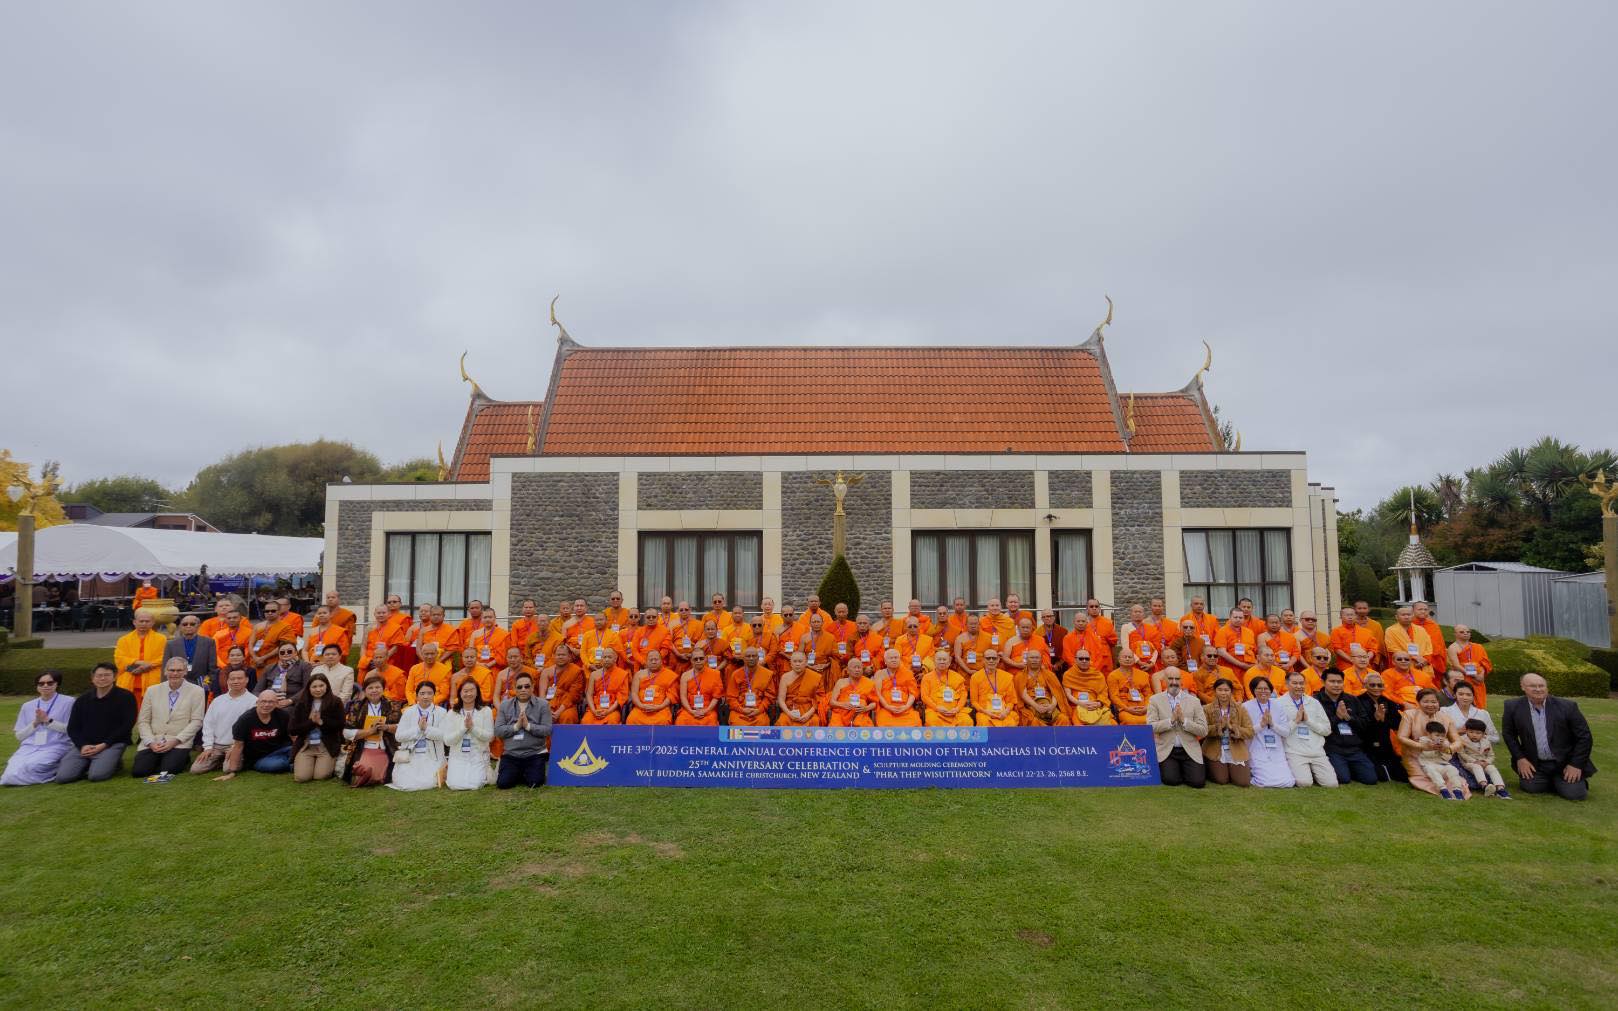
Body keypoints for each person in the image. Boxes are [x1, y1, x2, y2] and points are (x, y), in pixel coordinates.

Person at [1502, 673, 1596, 801]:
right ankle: (1555, 782)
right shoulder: (1512, 706)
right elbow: (1509, 734)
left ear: (1547, 687)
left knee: (1575, 795)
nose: (1538, 689)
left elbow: (1584, 737)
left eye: (1541, 686)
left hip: (1565, 763)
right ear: (1522, 687)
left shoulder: (1568, 706)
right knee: (1531, 787)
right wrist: (1520, 758)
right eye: (1532, 686)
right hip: (1536, 763)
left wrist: (1576, 765)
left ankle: (1566, 781)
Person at [56, 662, 139, 783]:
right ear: (93, 678)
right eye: (99, 675)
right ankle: (92, 762)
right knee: (62, 777)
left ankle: (113, 763)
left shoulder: (126, 697)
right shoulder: (82, 700)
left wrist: (104, 744)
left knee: (96, 776)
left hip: (112, 743)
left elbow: (127, 725)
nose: (102, 678)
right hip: (85, 745)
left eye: (107, 675)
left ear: (115, 677)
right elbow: (73, 728)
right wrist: (82, 745)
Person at [132, 656, 207, 778]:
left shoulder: (197, 691)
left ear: (185, 671)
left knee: (169, 770)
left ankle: (181, 758)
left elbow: (197, 721)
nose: (175, 673)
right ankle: (163, 758)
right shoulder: (152, 691)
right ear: (165, 671)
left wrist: (176, 741)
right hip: (154, 739)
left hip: (178, 741)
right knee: (139, 772)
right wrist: (150, 742)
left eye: (179, 670)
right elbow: (143, 721)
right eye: (172, 670)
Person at [3, 670, 76, 786]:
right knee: (8, 775)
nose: (45, 686)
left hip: (56, 745)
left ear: (57, 684)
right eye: (41, 683)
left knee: (33, 766)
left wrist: (48, 721)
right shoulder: (27, 706)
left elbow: (72, 729)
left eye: (50, 683)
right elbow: (19, 736)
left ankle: (59, 769)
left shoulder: (69, 702)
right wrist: (36, 723)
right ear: (37, 686)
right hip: (30, 747)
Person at [1396, 689, 1469, 799]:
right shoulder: (1409, 715)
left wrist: (1448, 748)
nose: (1430, 705)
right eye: (1426, 702)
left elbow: (1458, 741)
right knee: (1423, 779)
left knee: (1453, 777)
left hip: (1439, 758)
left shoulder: (1445, 717)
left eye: (1434, 702)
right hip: (1415, 757)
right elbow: (1401, 737)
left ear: (1438, 703)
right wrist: (1422, 746)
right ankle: (1443, 790)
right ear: (1418, 702)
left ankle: (1455, 792)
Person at [1272, 671, 1337, 787]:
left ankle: (1314, 772)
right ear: (1287, 684)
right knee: (1304, 783)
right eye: (1295, 683)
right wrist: (1296, 721)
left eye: (1301, 683)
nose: (1299, 686)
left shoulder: (1314, 702)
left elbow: (1327, 730)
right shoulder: (1278, 703)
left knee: (1331, 784)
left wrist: (1308, 721)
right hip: (1294, 751)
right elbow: (1278, 731)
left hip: (1316, 751)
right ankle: (1308, 773)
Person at [190, 667, 257, 774]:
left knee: (229, 769)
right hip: (216, 746)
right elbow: (208, 724)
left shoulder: (254, 701)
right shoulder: (218, 701)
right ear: (228, 681)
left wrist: (236, 746)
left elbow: (251, 729)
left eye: (239, 678)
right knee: (196, 769)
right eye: (232, 679)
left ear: (247, 680)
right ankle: (220, 760)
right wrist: (208, 747)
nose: (236, 681)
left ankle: (229, 760)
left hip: (236, 745)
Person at [214, 691, 294, 779]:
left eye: (271, 702)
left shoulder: (283, 715)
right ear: (257, 702)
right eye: (263, 701)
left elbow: (293, 736)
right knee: (277, 765)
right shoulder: (245, 720)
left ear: (276, 703)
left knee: (296, 750)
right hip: (258, 758)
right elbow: (238, 746)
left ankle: (294, 762)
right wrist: (232, 772)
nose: (266, 705)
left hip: (280, 750)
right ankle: (294, 763)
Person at [1148, 668, 1208, 787]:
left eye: (1177, 679)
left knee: (1197, 783)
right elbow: (1150, 727)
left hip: (1189, 749)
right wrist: (1171, 721)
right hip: (1167, 749)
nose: (1174, 682)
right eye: (1170, 678)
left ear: (1181, 681)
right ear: (1164, 680)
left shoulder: (1194, 701)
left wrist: (1184, 721)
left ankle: (1186, 770)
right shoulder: (1155, 700)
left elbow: (1203, 730)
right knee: (1171, 780)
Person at [1316, 669, 1377, 785]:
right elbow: (1318, 727)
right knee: (1343, 778)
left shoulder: (1352, 699)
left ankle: (1350, 768)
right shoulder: (1316, 701)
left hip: (1353, 748)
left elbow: (1365, 724)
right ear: (1323, 682)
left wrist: (1349, 718)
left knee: (1371, 779)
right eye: (1332, 681)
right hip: (1332, 748)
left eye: (1339, 682)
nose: (1336, 685)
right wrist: (1337, 717)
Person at [495, 671, 552, 788]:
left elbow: (547, 730)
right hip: (511, 754)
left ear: (532, 687)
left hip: (534, 753)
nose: (523, 689)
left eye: (527, 686)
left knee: (535, 782)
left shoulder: (543, 705)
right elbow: (498, 731)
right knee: (503, 784)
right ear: (514, 688)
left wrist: (528, 726)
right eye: (519, 687)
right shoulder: (505, 705)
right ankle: (519, 772)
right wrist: (516, 727)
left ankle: (525, 772)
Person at [343, 675, 401, 787]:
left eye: (377, 687)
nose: (374, 690)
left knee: (383, 774)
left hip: (386, 748)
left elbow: (402, 727)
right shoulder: (357, 706)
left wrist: (387, 727)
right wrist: (369, 731)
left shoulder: (393, 705)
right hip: (364, 747)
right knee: (364, 769)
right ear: (365, 691)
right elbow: (347, 732)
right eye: (370, 688)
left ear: (383, 689)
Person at [288, 671, 345, 782]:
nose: (318, 689)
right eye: (314, 687)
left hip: (326, 745)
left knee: (321, 776)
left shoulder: (336, 702)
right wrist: (311, 722)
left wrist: (321, 722)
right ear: (309, 688)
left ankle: (328, 761)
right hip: (306, 745)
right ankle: (299, 762)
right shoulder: (302, 703)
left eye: (321, 686)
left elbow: (340, 725)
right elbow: (292, 729)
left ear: (327, 686)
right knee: (302, 777)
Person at [439, 677, 495, 790]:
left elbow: (489, 737)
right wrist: (463, 728)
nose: (468, 694)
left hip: (478, 754)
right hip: (458, 755)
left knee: (475, 784)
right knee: (454, 784)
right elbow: (447, 741)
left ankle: (485, 770)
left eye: (472, 690)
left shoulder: (485, 711)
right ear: (460, 693)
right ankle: (447, 770)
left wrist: (472, 728)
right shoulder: (452, 713)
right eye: (465, 691)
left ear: (477, 692)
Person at [391, 682, 448, 791]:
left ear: (434, 695)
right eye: (422, 693)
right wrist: (418, 729)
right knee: (405, 782)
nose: (426, 696)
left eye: (429, 693)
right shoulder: (408, 712)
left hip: (432, 756)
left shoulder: (441, 712)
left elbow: (444, 735)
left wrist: (427, 729)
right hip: (411, 755)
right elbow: (399, 736)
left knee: (429, 781)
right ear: (416, 696)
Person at [1240, 677, 1296, 788]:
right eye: (1259, 688)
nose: (1263, 691)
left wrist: (1273, 724)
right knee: (1264, 782)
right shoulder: (1245, 706)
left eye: (1266, 689)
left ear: (1271, 690)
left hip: (1276, 749)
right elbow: (1244, 733)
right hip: (1256, 748)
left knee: (1288, 782)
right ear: (1253, 690)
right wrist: (1261, 725)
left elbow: (1286, 732)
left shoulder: (1278, 705)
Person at [1201, 678, 1254, 787]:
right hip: (1215, 748)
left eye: (1226, 690)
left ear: (1231, 691)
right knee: (1222, 779)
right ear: (1215, 691)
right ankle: (1209, 766)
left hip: (1236, 747)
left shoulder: (1240, 709)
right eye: (1220, 690)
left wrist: (1233, 728)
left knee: (1243, 782)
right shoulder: (1206, 709)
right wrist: (1219, 727)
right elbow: (1203, 730)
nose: (1223, 693)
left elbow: (1250, 731)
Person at [1359, 673, 1408, 784]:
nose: (1376, 688)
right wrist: (1375, 719)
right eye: (1372, 685)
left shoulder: (1388, 702)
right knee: (1382, 776)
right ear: (1365, 685)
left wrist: (1384, 719)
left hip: (1385, 744)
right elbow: (1359, 725)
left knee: (1403, 777)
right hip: (1366, 745)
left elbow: (1397, 723)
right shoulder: (1358, 701)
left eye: (1379, 685)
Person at [114, 609, 167, 698]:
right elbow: (119, 658)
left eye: (147, 621)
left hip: (153, 682)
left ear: (153, 623)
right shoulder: (124, 640)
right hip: (129, 681)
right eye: (141, 621)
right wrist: (139, 662)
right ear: (134, 622)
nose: (144, 624)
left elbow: (164, 657)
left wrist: (149, 665)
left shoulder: (161, 639)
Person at [1412, 719, 1467, 800]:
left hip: (1443, 764)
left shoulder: (1445, 743)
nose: (1440, 738)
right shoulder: (1423, 740)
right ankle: (1443, 789)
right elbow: (1424, 753)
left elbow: (1448, 757)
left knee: (1453, 770)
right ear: (1429, 734)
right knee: (1433, 772)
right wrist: (1431, 746)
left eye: (1442, 736)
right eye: (1437, 735)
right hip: (1429, 763)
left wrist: (1443, 749)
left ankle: (1457, 790)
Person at [163, 614, 219, 689]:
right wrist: (166, 687)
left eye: (192, 624)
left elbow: (212, 667)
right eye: (185, 624)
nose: (188, 626)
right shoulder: (171, 644)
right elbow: (166, 667)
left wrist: (208, 685)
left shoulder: (209, 642)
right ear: (180, 627)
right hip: (177, 683)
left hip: (201, 683)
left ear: (198, 626)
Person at [1457, 719, 1510, 799]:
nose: (1474, 735)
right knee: (1477, 767)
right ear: (1466, 731)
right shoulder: (1462, 740)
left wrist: (1487, 762)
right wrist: (1475, 761)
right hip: (1469, 762)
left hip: (1484, 762)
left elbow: (1491, 755)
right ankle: (1484, 786)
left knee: (1492, 768)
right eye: (1471, 732)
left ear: (1483, 733)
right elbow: (1462, 754)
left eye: (1478, 733)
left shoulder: (1486, 742)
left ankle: (1500, 788)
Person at [1062, 649, 1114, 725]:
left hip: (1095, 705)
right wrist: (1081, 704)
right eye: (1081, 659)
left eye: (1087, 659)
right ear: (1075, 660)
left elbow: (1103, 693)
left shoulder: (1097, 675)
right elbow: (1068, 695)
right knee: (1079, 723)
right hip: (1077, 705)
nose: (1084, 661)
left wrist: (1099, 703)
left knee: (1112, 723)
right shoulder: (1068, 674)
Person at [726, 646, 774, 727]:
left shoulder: (766, 674)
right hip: (739, 711)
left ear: (758, 658)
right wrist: (742, 710)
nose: (751, 658)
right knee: (737, 723)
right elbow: (731, 697)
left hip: (758, 710)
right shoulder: (736, 674)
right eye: (748, 656)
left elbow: (769, 697)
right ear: (743, 658)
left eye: (754, 656)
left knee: (762, 722)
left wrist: (759, 710)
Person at [1447, 626, 1492, 707]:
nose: (1465, 633)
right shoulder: (1453, 647)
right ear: (1455, 634)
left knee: (1479, 703)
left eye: (1468, 632)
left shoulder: (1478, 647)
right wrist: (1473, 675)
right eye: (1462, 632)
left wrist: (1481, 675)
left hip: (1478, 679)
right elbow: (1456, 665)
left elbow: (1484, 663)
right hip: (1462, 678)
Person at [828, 657, 877, 728]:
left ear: (862, 670)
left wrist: (866, 708)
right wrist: (842, 705)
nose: (857, 670)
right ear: (848, 670)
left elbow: (874, 703)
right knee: (837, 730)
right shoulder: (841, 682)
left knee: (865, 729)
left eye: (859, 667)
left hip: (860, 714)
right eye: (854, 667)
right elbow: (832, 702)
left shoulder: (869, 683)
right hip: (841, 713)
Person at [261, 641, 310, 709]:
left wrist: (290, 701)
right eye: (282, 652)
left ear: (296, 652)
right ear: (279, 654)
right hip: (268, 702)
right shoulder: (269, 668)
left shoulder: (304, 666)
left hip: (292, 704)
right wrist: (262, 700)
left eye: (289, 651)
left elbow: (307, 688)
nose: (286, 653)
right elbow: (257, 690)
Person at [1107, 650, 1151, 725]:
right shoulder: (1113, 676)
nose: (1127, 659)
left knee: (1150, 720)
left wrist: (1146, 707)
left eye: (1130, 657)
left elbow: (1148, 694)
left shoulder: (1143, 675)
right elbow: (1114, 697)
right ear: (1119, 659)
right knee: (1131, 721)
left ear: (1134, 660)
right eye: (1125, 657)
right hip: (1125, 709)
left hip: (1143, 708)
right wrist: (1127, 709)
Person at [406, 641, 452, 706]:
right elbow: (408, 690)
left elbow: (444, 694)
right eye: (426, 654)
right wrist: (412, 702)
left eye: (432, 654)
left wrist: (429, 703)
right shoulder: (414, 668)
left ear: (437, 654)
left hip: (435, 703)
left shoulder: (445, 670)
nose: (429, 656)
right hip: (415, 702)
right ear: (422, 654)